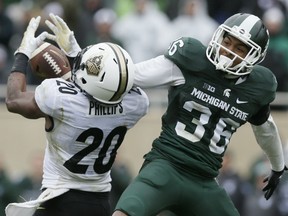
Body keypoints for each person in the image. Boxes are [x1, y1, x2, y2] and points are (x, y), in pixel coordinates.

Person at [47, 13, 287, 216]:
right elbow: (125, 75)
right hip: (166, 166)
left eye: (239, 48)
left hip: (205, 182)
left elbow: (265, 129)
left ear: (254, 57)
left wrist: (278, 167)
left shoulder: (259, 86)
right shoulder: (192, 58)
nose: (228, 52)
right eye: (228, 41)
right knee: (123, 213)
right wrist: (78, 55)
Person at [5, 14, 149, 216]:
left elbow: (13, 100)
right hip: (100, 202)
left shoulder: (61, 99)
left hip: (60, 200)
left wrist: (22, 54)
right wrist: (76, 54)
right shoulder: (135, 103)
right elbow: (98, 89)